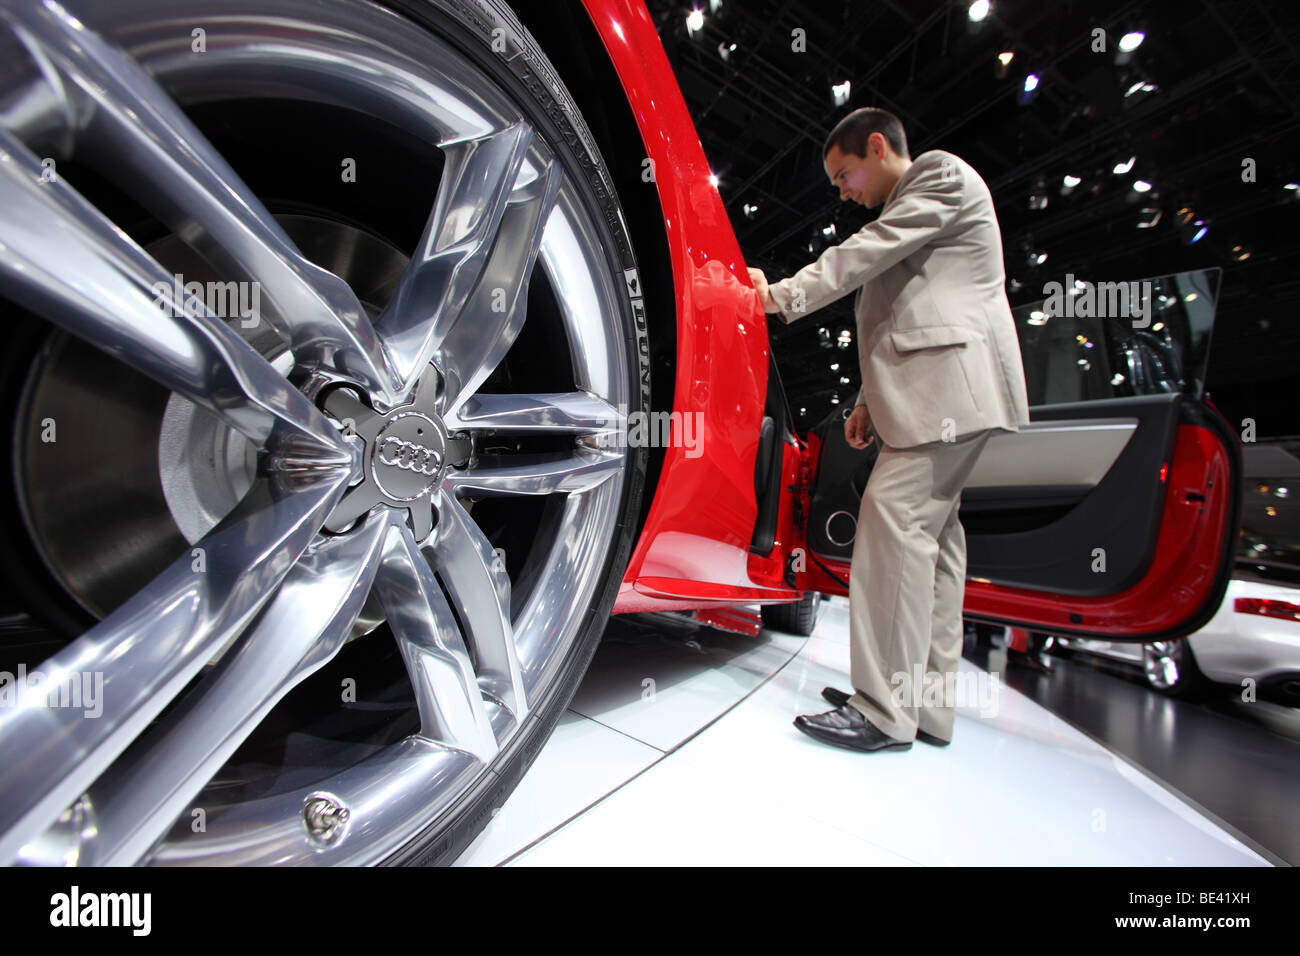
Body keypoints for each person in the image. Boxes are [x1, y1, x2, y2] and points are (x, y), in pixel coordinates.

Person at [748, 107, 1029, 752]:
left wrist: (779, 296)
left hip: (952, 392)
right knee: (935, 549)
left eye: (845, 174)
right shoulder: (918, 209)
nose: (844, 191)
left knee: (894, 527)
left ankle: (881, 711)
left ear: (878, 146)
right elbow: (908, 310)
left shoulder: (938, 177)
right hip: (944, 394)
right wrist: (869, 403)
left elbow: (867, 256)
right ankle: (926, 708)